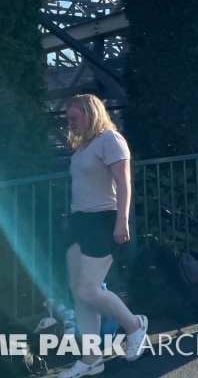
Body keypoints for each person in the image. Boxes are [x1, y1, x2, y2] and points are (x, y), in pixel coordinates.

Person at [60, 95, 148, 377]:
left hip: (104, 219)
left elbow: (124, 183)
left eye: (74, 117)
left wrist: (122, 222)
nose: (70, 123)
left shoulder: (110, 139)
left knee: (88, 289)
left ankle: (134, 324)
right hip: (79, 220)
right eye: (68, 118)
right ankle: (91, 359)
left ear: (90, 114)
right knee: (78, 291)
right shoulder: (82, 146)